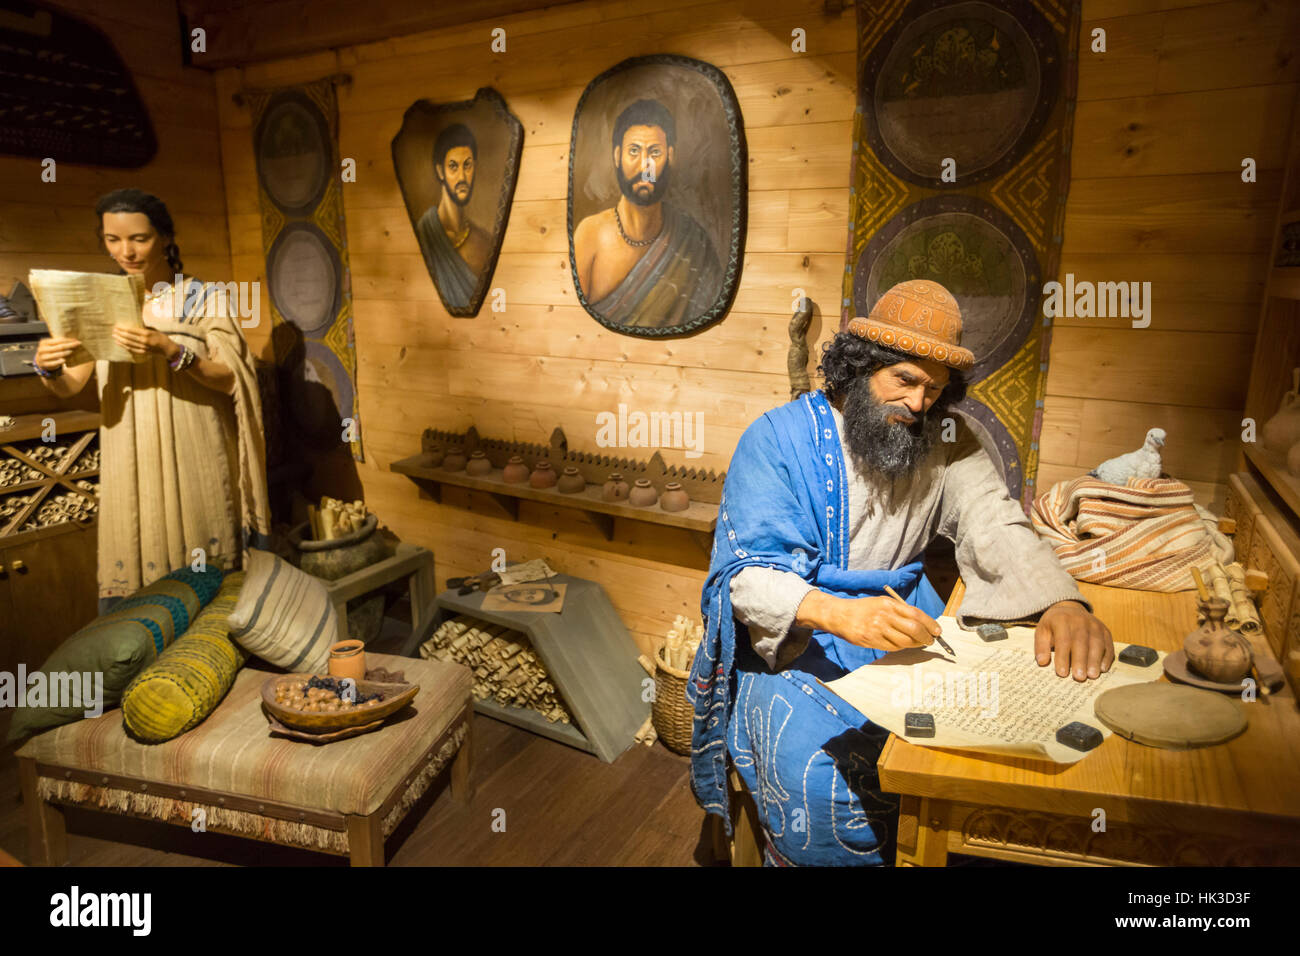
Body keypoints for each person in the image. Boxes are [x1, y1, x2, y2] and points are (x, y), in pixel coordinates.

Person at [688, 278, 1114, 866]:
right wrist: (838, 613)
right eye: (906, 380)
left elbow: (995, 523)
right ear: (860, 369)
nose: (918, 404)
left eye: (934, 390)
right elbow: (744, 574)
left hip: (903, 621)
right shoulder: (776, 439)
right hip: (793, 643)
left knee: (963, 754)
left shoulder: (945, 440)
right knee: (815, 775)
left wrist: (1060, 603)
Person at [33, 188, 270, 612]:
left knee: (206, 570)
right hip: (130, 451)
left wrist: (171, 350)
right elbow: (73, 384)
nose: (126, 251)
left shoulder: (203, 298)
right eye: (112, 239)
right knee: (139, 558)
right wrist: (48, 367)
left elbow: (233, 379)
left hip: (195, 447)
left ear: (164, 236)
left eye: (139, 238)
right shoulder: (100, 301)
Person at [573, 98, 722, 329]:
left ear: (671, 156)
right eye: (634, 151)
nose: (645, 167)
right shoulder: (590, 234)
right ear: (617, 156)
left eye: (655, 152)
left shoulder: (694, 243)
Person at [415, 123, 492, 310]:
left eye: (467, 166)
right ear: (440, 171)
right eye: (453, 167)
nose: (462, 178)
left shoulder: (484, 241)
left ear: (475, 167)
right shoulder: (424, 236)